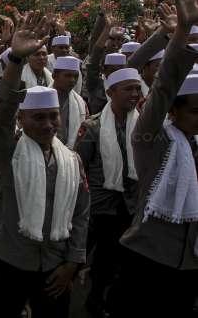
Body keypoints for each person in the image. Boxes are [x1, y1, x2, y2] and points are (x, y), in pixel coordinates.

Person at [0, 13, 90, 318]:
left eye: (53, 116)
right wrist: (16, 59)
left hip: (56, 266)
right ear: (22, 119)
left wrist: (72, 262)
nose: (48, 124)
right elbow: (1, 113)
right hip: (11, 262)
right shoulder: (9, 152)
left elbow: (81, 214)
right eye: (38, 117)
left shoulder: (71, 160)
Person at [109, 0, 198, 318]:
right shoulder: (152, 140)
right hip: (147, 260)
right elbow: (162, 88)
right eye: (194, 111)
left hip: (189, 267)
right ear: (173, 112)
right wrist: (179, 33)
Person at [75, 68, 142, 317]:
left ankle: (107, 302)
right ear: (111, 92)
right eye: (128, 89)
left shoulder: (143, 123)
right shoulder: (92, 127)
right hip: (101, 208)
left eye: (137, 88)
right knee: (98, 259)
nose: (135, 94)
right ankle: (92, 300)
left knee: (122, 264)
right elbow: (79, 169)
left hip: (132, 207)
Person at [51, 56, 88, 147]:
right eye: (67, 76)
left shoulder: (81, 103)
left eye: (75, 76)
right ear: (54, 75)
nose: (72, 80)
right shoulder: (42, 100)